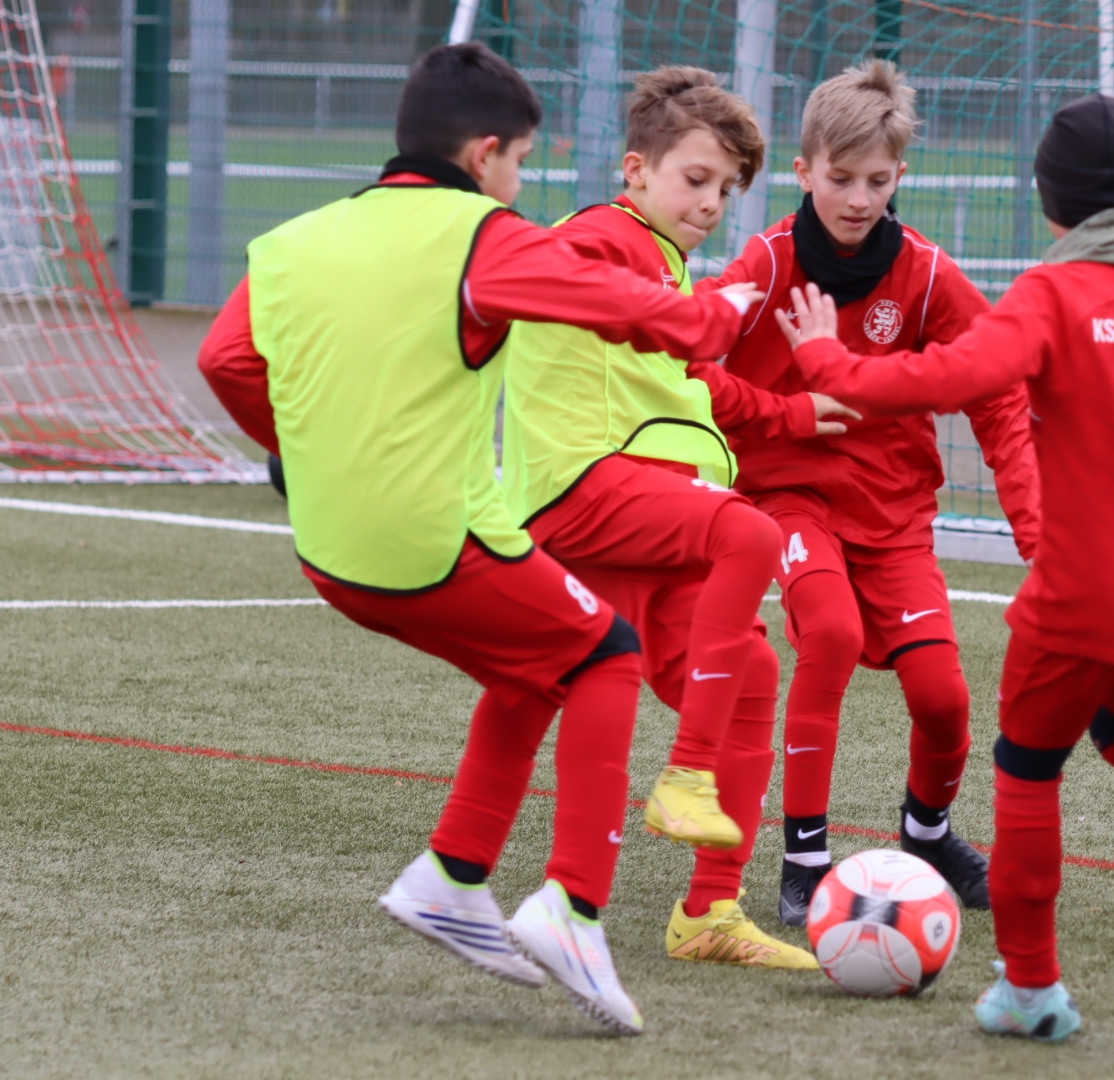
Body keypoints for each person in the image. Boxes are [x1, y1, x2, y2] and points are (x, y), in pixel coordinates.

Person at [197, 43, 764, 1036]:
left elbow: (226, 360)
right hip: (433, 541)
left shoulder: (295, 239)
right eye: (522, 162)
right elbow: (621, 304)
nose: (521, 183)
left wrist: (303, 450)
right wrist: (712, 315)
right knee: (608, 657)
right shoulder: (486, 235)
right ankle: (573, 906)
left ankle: (452, 877)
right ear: (484, 154)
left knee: (533, 667)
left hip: (330, 553)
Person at [776, 93, 1114, 1040]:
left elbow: (948, 378)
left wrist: (828, 362)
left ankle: (1031, 989)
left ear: (1052, 202)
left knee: (1027, 767)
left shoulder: (1054, 293)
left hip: (1084, 586)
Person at [699, 60, 1041, 923]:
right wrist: (782, 414)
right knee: (832, 634)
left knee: (944, 698)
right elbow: (690, 358)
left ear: (900, 177)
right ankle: (805, 859)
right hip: (789, 499)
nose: (858, 199)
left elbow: (1000, 393)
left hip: (894, 517)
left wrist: (1036, 531)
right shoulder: (766, 263)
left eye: (878, 182)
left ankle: (927, 833)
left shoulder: (926, 274)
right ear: (803, 171)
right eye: (840, 178)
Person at [501, 67, 820, 970]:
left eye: (727, 189)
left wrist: (800, 414)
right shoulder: (606, 236)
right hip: (586, 486)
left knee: (754, 675)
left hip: (649, 512)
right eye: (696, 179)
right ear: (635, 169)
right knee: (750, 531)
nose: (712, 202)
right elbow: (578, 273)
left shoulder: (664, 266)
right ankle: (683, 776)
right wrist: (704, 307)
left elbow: (699, 380)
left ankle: (708, 913)